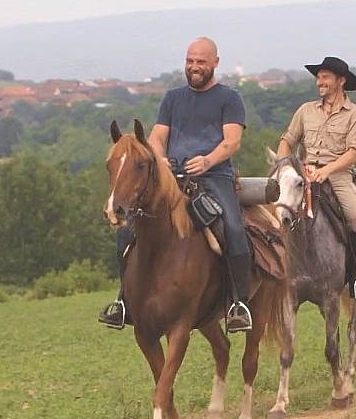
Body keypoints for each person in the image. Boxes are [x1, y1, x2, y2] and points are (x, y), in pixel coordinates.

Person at [99, 37, 255, 332]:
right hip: (173, 178)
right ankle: (123, 302)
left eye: (201, 62)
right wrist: (159, 157)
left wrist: (207, 161)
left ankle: (238, 303)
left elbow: (232, 141)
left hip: (214, 176)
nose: (194, 67)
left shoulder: (230, 98)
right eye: (190, 61)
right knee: (129, 228)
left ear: (215, 64)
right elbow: (157, 136)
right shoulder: (172, 98)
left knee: (233, 228)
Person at [276, 56, 356, 301]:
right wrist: (284, 166)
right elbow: (287, 141)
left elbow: (353, 153)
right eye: (318, 78)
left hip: (339, 175)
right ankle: (274, 273)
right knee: (278, 212)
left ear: (340, 81)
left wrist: (326, 170)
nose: (319, 82)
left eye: (325, 78)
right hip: (304, 173)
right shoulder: (305, 110)